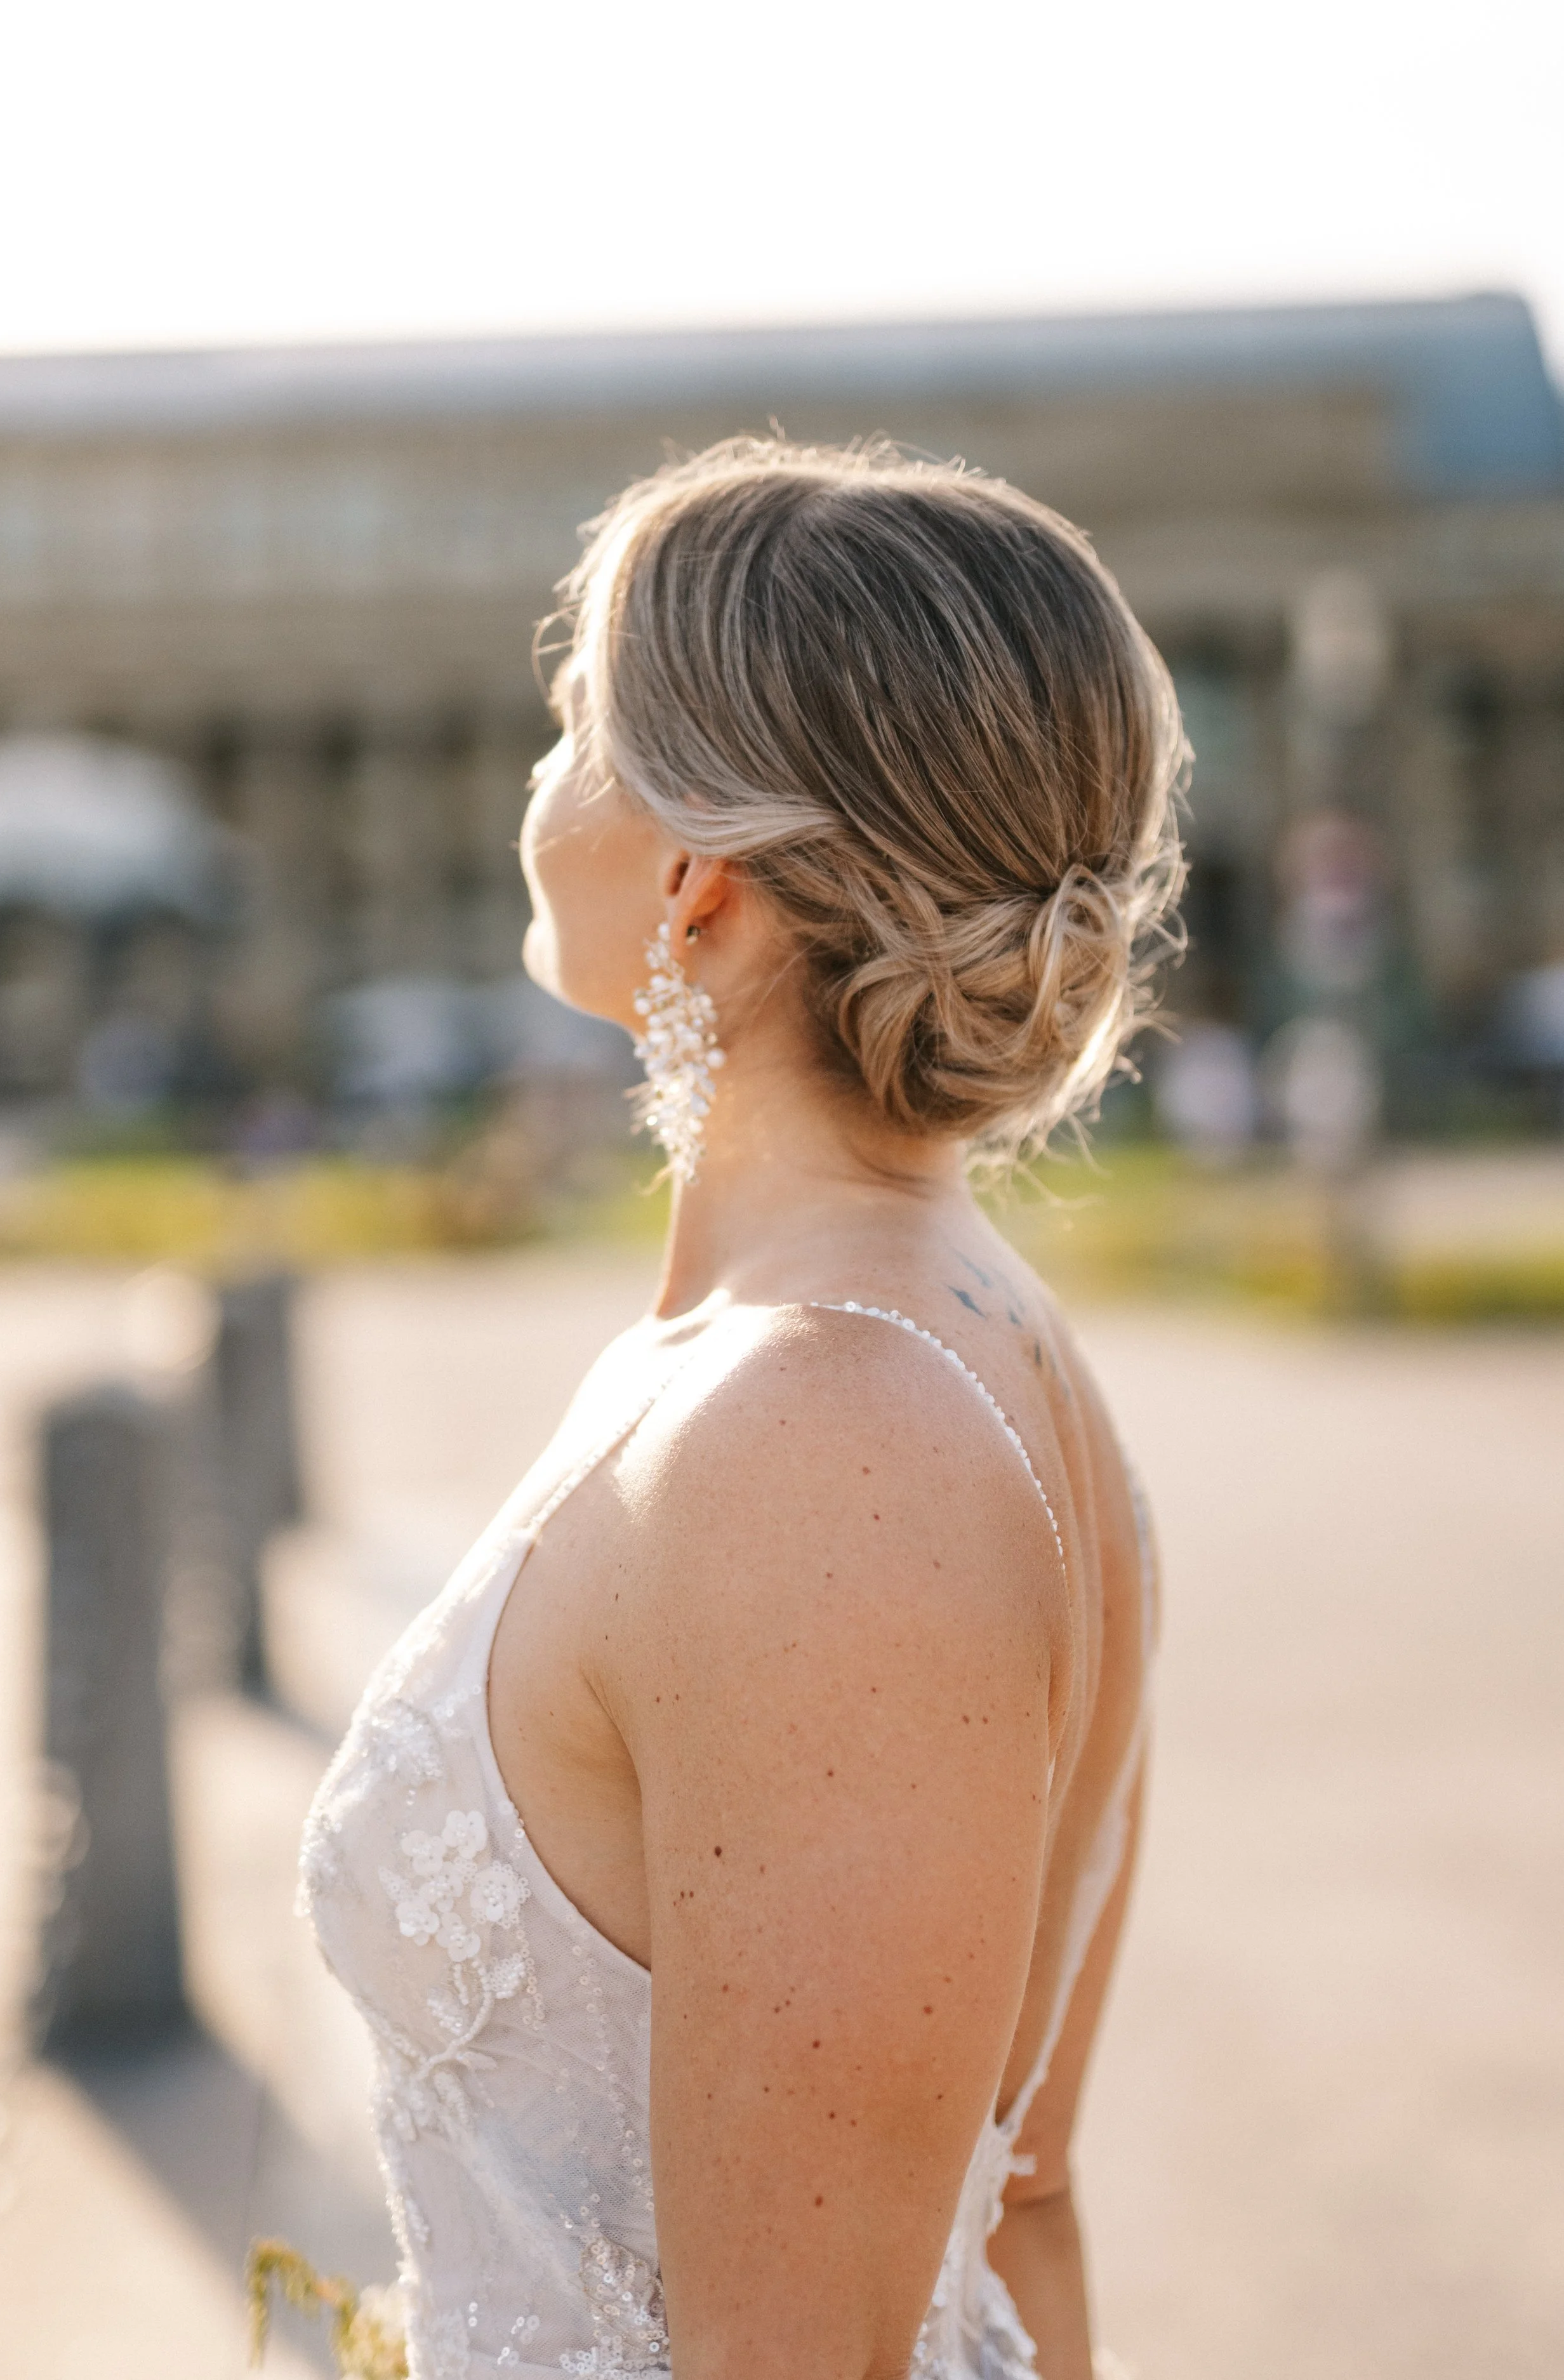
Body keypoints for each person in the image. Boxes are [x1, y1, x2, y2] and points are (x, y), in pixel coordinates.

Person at [300, 439, 1184, 2380]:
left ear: (696, 870)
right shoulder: (925, 1338)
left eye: (573, 718)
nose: (535, 772)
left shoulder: (822, 1441)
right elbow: (1017, 2194)